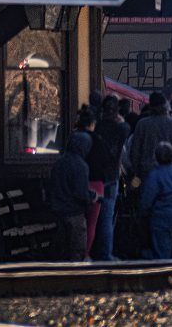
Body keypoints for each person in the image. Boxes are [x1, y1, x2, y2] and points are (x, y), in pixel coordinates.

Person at [89, 95, 130, 261]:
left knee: (92, 218)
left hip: (94, 175)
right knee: (107, 217)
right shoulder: (121, 128)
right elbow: (125, 126)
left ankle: (91, 251)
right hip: (112, 176)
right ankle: (105, 253)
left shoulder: (97, 127)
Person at [48, 130, 98, 261]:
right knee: (76, 249)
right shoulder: (81, 165)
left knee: (61, 250)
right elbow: (80, 193)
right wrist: (93, 197)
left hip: (58, 211)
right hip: (74, 213)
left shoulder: (59, 162)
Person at [139, 142, 172, 259]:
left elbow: (147, 201)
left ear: (156, 157)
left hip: (164, 218)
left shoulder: (154, 175)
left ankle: (165, 276)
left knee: (163, 256)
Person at [128, 92, 172, 182]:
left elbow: (135, 151)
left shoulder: (142, 124)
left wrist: (138, 172)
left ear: (151, 106)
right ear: (166, 106)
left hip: (147, 173)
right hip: (171, 174)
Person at [75, 106, 104, 257]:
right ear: (92, 123)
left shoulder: (73, 138)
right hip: (96, 183)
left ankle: (76, 253)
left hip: (76, 182)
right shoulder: (97, 140)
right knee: (91, 223)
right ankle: (85, 253)